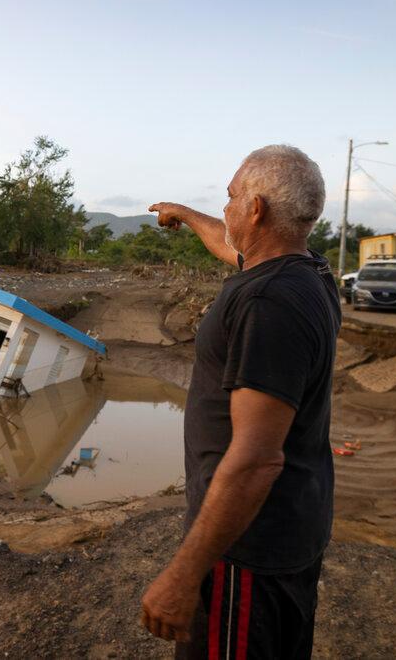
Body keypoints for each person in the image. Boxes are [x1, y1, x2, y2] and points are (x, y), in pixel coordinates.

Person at [140, 145, 341, 659]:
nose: (224, 208)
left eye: (230, 197)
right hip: (289, 530)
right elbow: (232, 246)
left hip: (245, 555)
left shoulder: (266, 302)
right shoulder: (307, 271)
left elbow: (255, 459)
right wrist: (185, 214)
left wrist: (185, 575)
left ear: (256, 210)